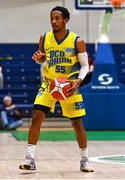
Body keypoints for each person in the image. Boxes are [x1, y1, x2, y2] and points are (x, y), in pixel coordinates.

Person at [19, 6, 94, 172]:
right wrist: (40, 59)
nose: (53, 21)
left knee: (77, 123)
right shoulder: (44, 38)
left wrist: (78, 82)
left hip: (69, 85)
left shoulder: (77, 41)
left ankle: (85, 159)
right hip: (49, 83)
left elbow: (84, 65)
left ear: (66, 20)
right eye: (51, 18)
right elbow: (43, 59)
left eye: (57, 18)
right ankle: (30, 158)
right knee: (36, 115)